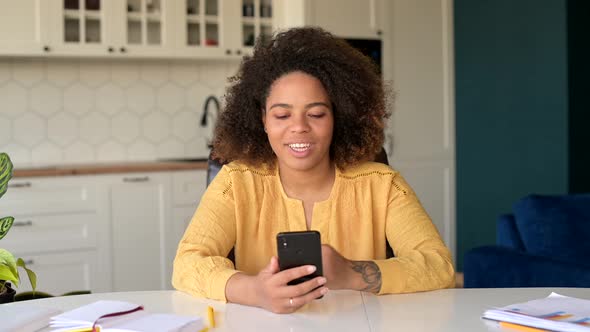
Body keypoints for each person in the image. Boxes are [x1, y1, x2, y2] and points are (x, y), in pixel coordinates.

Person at [172, 27, 455, 314]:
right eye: (282, 115)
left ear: (337, 117)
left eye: (316, 114)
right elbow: (187, 263)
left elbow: (439, 265)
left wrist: (351, 273)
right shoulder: (235, 182)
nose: (299, 127)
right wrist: (254, 291)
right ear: (264, 120)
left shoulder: (383, 185)